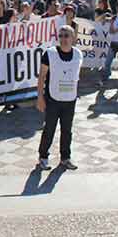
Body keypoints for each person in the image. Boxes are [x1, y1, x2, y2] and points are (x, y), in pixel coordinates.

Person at [36, 25, 83, 171]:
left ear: (73, 37)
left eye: (66, 35)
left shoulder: (78, 54)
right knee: (49, 128)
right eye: (61, 36)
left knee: (67, 130)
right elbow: (42, 77)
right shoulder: (49, 54)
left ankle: (65, 158)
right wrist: (40, 98)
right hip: (53, 98)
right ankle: (43, 157)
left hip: (70, 99)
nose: (63, 39)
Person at [100, 2, 118, 90]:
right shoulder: (114, 17)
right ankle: (105, 77)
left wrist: (116, 28)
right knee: (107, 62)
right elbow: (111, 31)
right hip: (114, 42)